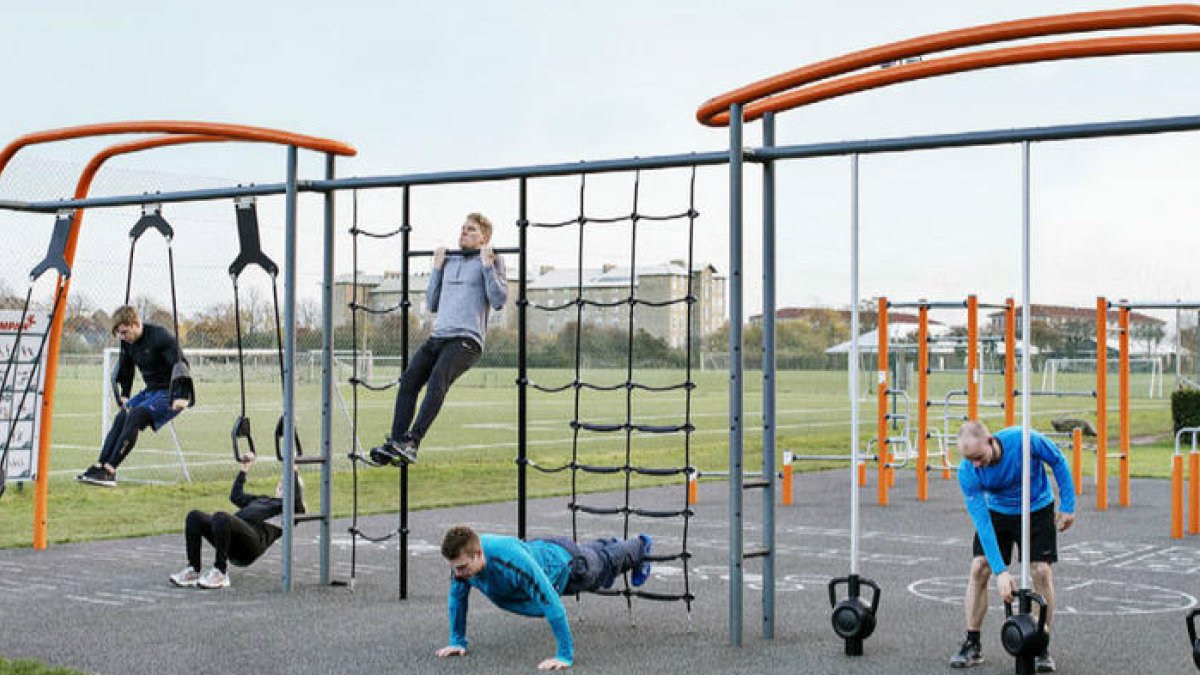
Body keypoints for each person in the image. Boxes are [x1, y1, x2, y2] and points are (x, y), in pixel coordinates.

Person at [369, 213, 508, 466]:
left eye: (471, 230)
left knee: (437, 381)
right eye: (462, 228)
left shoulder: (493, 260)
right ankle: (396, 442)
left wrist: (487, 265)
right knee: (409, 380)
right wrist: (436, 267)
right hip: (439, 336)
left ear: (484, 238)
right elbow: (432, 303)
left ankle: (412, 442)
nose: (463, 233)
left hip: (466, 339)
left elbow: (498, 300)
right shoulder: (450, 261)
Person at [437, 524, 654, 670]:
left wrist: (564, 655)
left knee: (601, 568)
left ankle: (640, 546)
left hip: (569, 566)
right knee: (596, 557)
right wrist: (457, 641)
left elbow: (552, 605)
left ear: (479, 553)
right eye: (455, 568)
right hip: (545, 553)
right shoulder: (464, 564)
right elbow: (457, 599)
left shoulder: (511, 563)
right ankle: (611, 544)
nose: (458, 574)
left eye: (462, 567)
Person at [950, 420, 1075, 673]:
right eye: (969, 459)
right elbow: (982, 523)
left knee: (1041, 571)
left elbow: (1058, 460)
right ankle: (972, 643)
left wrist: (1068, 505)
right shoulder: (967, 472)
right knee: (979, 567)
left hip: (1037, 507)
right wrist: (1001, 571)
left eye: (978, 457)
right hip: (998, 512)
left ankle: (1041, 645)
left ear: (990, 440)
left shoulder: (1023, 439)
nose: (976, 464)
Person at [77, 305, 193, 487]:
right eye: (119, 334)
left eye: (124, 332)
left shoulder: (160, 336)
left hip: (170, 393)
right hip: (150, 391)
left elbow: (180, 363)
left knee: (136, 415)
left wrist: (182, 395)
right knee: (122, 415)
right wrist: (125, 394)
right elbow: (126, 367)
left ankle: (110, 470)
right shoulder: (127, 342)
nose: (123, 338)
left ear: (135, 323)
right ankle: (100, 465)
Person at [169, 452, 305, 590]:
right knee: (194, 517)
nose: (282, 484)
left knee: (221, 517)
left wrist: (293, 467)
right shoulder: (263, 500)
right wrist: (244, 468)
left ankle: (220, 573)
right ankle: (193, 569)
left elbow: (296, 500)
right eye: (281, 482)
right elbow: (235, 496)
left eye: (287, 482)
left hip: (251, 545)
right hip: (231, 537)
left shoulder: (290, 509)